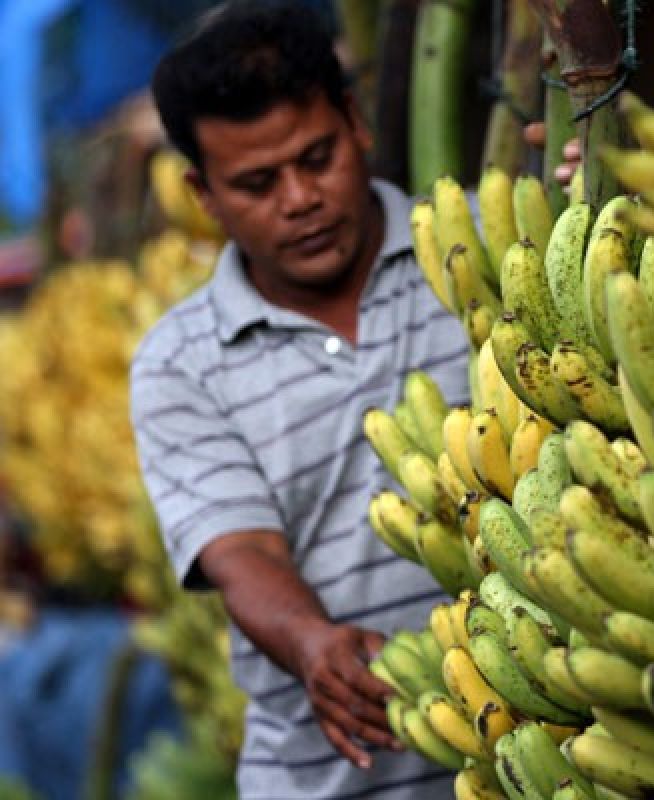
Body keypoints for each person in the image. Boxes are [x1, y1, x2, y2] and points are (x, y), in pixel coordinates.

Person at [130, 2, 472, 797]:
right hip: (325, 781)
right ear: (203, 193)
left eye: (315, 158)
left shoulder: (474, 253)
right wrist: (310, 640)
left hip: (535, 757)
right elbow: (240, 550)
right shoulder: (179, 363)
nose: (298, 199)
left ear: (355, 123)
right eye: (255, 183)